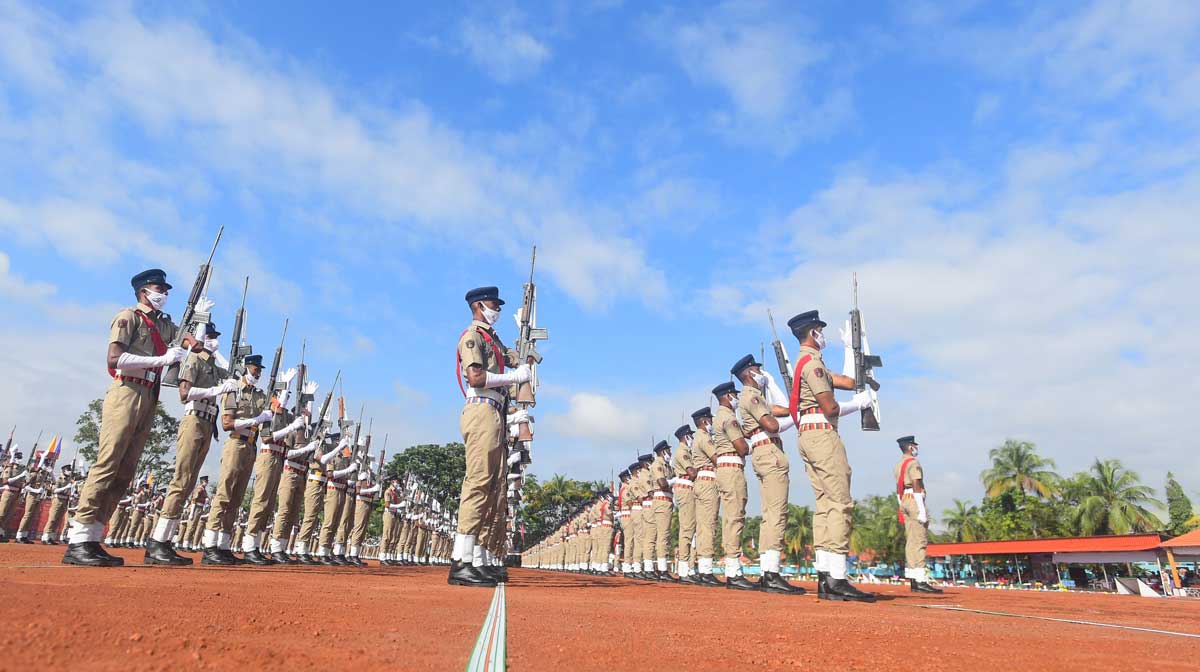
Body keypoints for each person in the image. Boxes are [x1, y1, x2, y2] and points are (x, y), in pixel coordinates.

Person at [64, 269, 202, 567]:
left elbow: (193, 344)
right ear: (143, 290)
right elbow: (114, 359)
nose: (164, 293)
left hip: (149, 395)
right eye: (158, 288)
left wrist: (200, 327)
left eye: (166, 289)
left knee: (126, 470)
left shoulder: (163, 324)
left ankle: (94, 536)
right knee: (108, 463)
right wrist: (160, 360)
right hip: (126, 390)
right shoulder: (129, 317)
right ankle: (77, 539)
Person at [786, 310, 876, 602]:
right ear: (813, 333)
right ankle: (837, 578)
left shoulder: (810, 363)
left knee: (825, 504)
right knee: (839, 502)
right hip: (822, 434)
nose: (823, 336)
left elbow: (849, 380)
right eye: (820, 331)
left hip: (809, 436)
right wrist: (857, 403)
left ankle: (826, 576)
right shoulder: (812, 365)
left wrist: (851, 347)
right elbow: (832, 408)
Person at [450, 286, 528, 588]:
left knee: (492, 488)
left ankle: (478, 559)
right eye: (494, 304)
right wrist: (514, 376)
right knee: (479, 482)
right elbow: (477, 377)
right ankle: (461, 560)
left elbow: (514, 357)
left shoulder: (492, 340)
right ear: (480, 305)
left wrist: (526, 344)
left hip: (494, 412)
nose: (498, 309)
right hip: (481, 410)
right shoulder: (472, 336)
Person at [147, 321, 236, 565]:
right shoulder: (194, 361)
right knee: (181, 479)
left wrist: (217, 353)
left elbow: (233, 375)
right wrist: (215, 390)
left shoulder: (211, 365)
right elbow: (184, 393)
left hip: (207, 422)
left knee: (188, 482)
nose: (214, 340)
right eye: (210, 336)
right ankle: (157, 541)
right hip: (194, 419)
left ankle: (166, 540)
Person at [731, 354, 805, 595]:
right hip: (769, 452)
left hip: (765, 452)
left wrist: (773, 388)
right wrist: (772, 386)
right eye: (757, 370)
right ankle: (771, 574)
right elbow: (773, 425)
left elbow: (784, 410)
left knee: (770, 513)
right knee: (776, 513)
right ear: (749, 374)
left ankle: (768, 571)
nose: (761, 373)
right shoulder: (751, 396)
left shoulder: (756, 397)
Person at [202, 353, 272, 565]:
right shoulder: (233, 389)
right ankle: (209, 545)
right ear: (245, 368)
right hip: (235, 443)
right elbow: (226, 423)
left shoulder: (260, 396)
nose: (258, 373)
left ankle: (223, 545)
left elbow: (268, 423)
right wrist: (255, 419)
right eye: (255, 369)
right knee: (224, 494)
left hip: (251, 445)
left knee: (236, 499)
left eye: (259, 370)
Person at [711, 382, 756, 590]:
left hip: (725, 469)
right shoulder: (728, 418)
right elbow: (742, 448)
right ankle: (733, 569)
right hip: (731, 468)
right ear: (729, 396)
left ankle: (732, 567)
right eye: (735, 396)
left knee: (731, 517)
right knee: (735, 517)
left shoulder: (720, 417)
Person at [895, 436, 942, 594]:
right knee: (920, 540)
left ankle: (914, 578)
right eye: (914, 446)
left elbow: (898, 486)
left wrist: (900, 503)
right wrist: (921, 509)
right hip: (914, 500)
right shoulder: (913, 463)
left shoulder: (899, 464)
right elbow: (916, 483)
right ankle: (920, 580)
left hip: (904, 500)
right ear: (910, 447)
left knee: (911, 541)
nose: (916, 448)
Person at [689, 408, 721, 586]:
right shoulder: (704, 437)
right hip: (708, 481)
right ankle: (706, 570)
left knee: (703, 526)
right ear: (704, 421)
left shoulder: (698, 438)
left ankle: (703, 567)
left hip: (702, 482)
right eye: (709, 419)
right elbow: (716, 459)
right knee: (708, 525)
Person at [671, 424, 699, 583]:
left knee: (691, 529)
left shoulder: (687, 452)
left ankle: (688, 566)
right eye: (691, 436)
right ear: (685, 437)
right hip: (685, 489)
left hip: (689, 489)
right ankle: (683, 569)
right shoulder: (682, 452)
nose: (693, 439)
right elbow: (692, 473)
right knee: (687, 528)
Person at [41, 465, 76, 544]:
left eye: (70, 470)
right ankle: (46, 536)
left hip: (64, 500)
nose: (70, 471)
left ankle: (51, 537)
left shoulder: (69, 479)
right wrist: (65, 487)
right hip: (57, 499)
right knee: (52, 518)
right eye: (68, 470)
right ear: (64, 471)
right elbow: (55, 490)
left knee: (58, 519)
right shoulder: (59, 479)